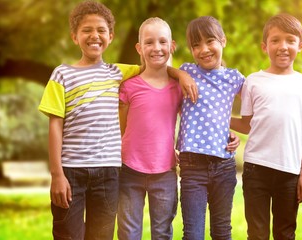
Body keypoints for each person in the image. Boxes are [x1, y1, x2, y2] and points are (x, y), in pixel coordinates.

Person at [38, 2, 196, 239]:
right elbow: (54, 125)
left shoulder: (117, 73)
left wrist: (181, 74)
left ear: (110, 36)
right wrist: (57, 174)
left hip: (108, 172)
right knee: (68, 234)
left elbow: (155, 66)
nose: (94, 36)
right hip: (71, 171)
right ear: (74, 36)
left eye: (101, 30)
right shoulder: (62, 74)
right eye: (86, 30)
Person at [231, 13, 302, 240]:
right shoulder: (253, 81)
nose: (283, 46)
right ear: (264, 46)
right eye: (275, 40)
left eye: (290, 40)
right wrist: (217, 118)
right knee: (257, 234)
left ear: (300, 46)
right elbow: (247, 124)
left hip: (290, 172)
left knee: (285, 233)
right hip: (255, 169)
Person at [176, 16, 244, 240]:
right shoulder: (187, 72)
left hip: (224, 166)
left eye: (210, 41)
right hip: (192, 167)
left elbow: (263, 99)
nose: (204, 49)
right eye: (196, 45)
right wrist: (179, 74)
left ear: (223, 40)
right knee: (193, 234)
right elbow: (160, 70)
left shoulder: (234, 78)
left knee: (222, 231)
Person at [117, 17, 182, 240]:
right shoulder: (128, 87)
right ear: (139, 48)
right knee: (128, 233)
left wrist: (228, 133)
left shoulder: (179, 88)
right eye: (149, 42)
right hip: (129, 170)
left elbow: (194, 120)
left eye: (163, 42)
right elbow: (122, 127)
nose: (156, 48)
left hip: (164, 172)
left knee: (162, 232)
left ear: (172, 46)